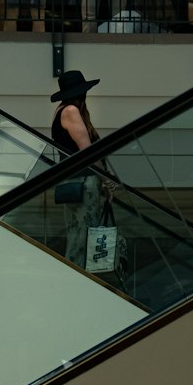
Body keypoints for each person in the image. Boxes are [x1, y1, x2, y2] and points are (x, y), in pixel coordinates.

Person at [50, 68, 111, 269]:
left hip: (73, 181)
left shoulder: (61, 110)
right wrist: (106, 180)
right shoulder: (71, 111)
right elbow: (88, 152)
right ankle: (77, 281)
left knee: (78, 235)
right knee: (83, 238)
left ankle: (77, 281)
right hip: (83, 182)